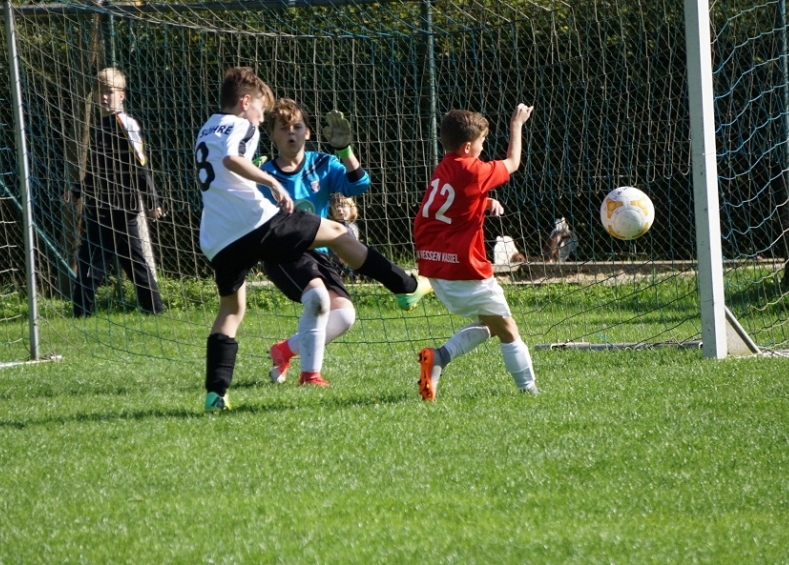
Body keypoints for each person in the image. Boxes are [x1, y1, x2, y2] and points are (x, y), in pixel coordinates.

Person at [196, 67, 432, 411]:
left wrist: (344, 151)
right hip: (253, 221)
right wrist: (271, 182)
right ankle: (405, 287)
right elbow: (232, 159)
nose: (261, 118)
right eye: (261, 109)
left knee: (231, 310)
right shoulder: (242, 125)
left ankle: (215, 394)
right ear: (245, 102)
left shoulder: (208, 127)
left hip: (217, 237)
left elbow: (357, 182)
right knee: (337, 231)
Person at [412, 105, 538, 401]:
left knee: (490, 325)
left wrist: (483, 202)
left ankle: (438, 358)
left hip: (435, 268)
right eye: (482, 142)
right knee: (508, 329)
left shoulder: (444, 167)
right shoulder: (474, 169)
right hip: (465, 270)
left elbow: (450, 205)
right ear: (468, 147)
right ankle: (530, 391)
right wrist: (517, 124)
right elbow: (513, 162)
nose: (484, 148)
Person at [257, 99, 369, 387]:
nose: (291, 133)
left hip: (317, 251)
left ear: (307, 132)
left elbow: (359, 184)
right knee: (318, 298)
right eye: (284, 128)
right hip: (282, 253)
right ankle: (310, 376)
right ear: (272, 135)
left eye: (297, 127)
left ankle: (284, 350)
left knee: (344, 315)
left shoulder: (323, 164)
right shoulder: (264, 175)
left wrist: (345, 151)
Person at [65, 67, 164, 317]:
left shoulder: (125, 125)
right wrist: (77, 190)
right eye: (100, 91)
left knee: (91, 263)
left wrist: (152, 201)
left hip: (119, 208)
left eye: (110, 91)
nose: (104, 97)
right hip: (103, 207)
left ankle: (81, 314)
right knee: (132, 264)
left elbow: (140, 166)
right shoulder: (101, 127)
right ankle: (154, 310)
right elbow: (96, 172)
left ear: (122, 95)